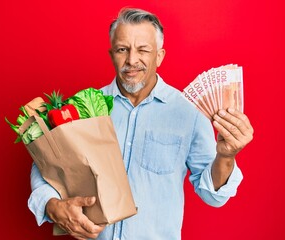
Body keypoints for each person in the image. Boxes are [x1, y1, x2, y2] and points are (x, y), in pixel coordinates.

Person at [28, 7, 254, 240]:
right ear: (111, 54)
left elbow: (213, 196)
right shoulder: (85, 106)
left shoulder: (190, 113)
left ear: (160, 55)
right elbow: (48, 166)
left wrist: (226, 157)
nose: (131, 60)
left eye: (143, 50)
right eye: (122, 50)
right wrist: (50, 204)